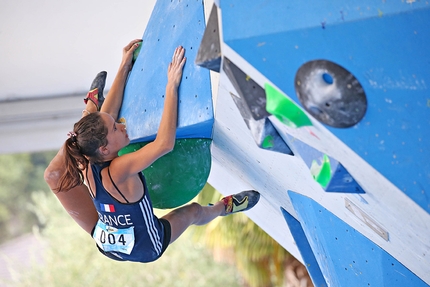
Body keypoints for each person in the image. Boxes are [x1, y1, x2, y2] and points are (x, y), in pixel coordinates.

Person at [45, 39, 260, 263]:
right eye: (115, 127)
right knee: (193, 212)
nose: (122, 125)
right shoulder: (119, 169)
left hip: (105, 238)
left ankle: (91, 106)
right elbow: (164, 144)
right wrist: (171, 85)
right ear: (105, 149)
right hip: (146, 245)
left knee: (62, 165)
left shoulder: (87, 157)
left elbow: (105, 122)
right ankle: (225, 207)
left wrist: (124, 66)